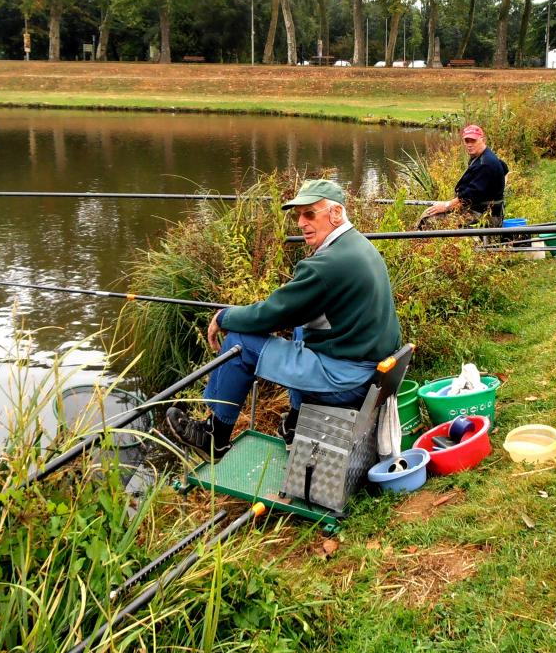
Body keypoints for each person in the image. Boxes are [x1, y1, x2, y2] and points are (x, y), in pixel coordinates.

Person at [167, 178, 401, 460]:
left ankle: (214, 438)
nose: (301, 223)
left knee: (240, 340)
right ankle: (294, 426)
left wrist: (225, 316)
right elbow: (291, 311)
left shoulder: (328, 264)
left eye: (310, 214)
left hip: (347, 381)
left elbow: (271, 315)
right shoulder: (358, 246)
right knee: (302, 329)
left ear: (336, 213)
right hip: (372, 371)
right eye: (298, 215)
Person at [419, 124, 509, 224]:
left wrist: (446, 206)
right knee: (429, 212)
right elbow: (505, 168)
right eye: (467, 141)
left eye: (473, 140)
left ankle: (418, 238)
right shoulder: (485, 156)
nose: (469, 144)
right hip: (477, 210)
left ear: (483, 140)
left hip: (484, 216)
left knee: (428, 219)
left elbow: (468, 197)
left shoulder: (485, 164)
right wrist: (497, 190)